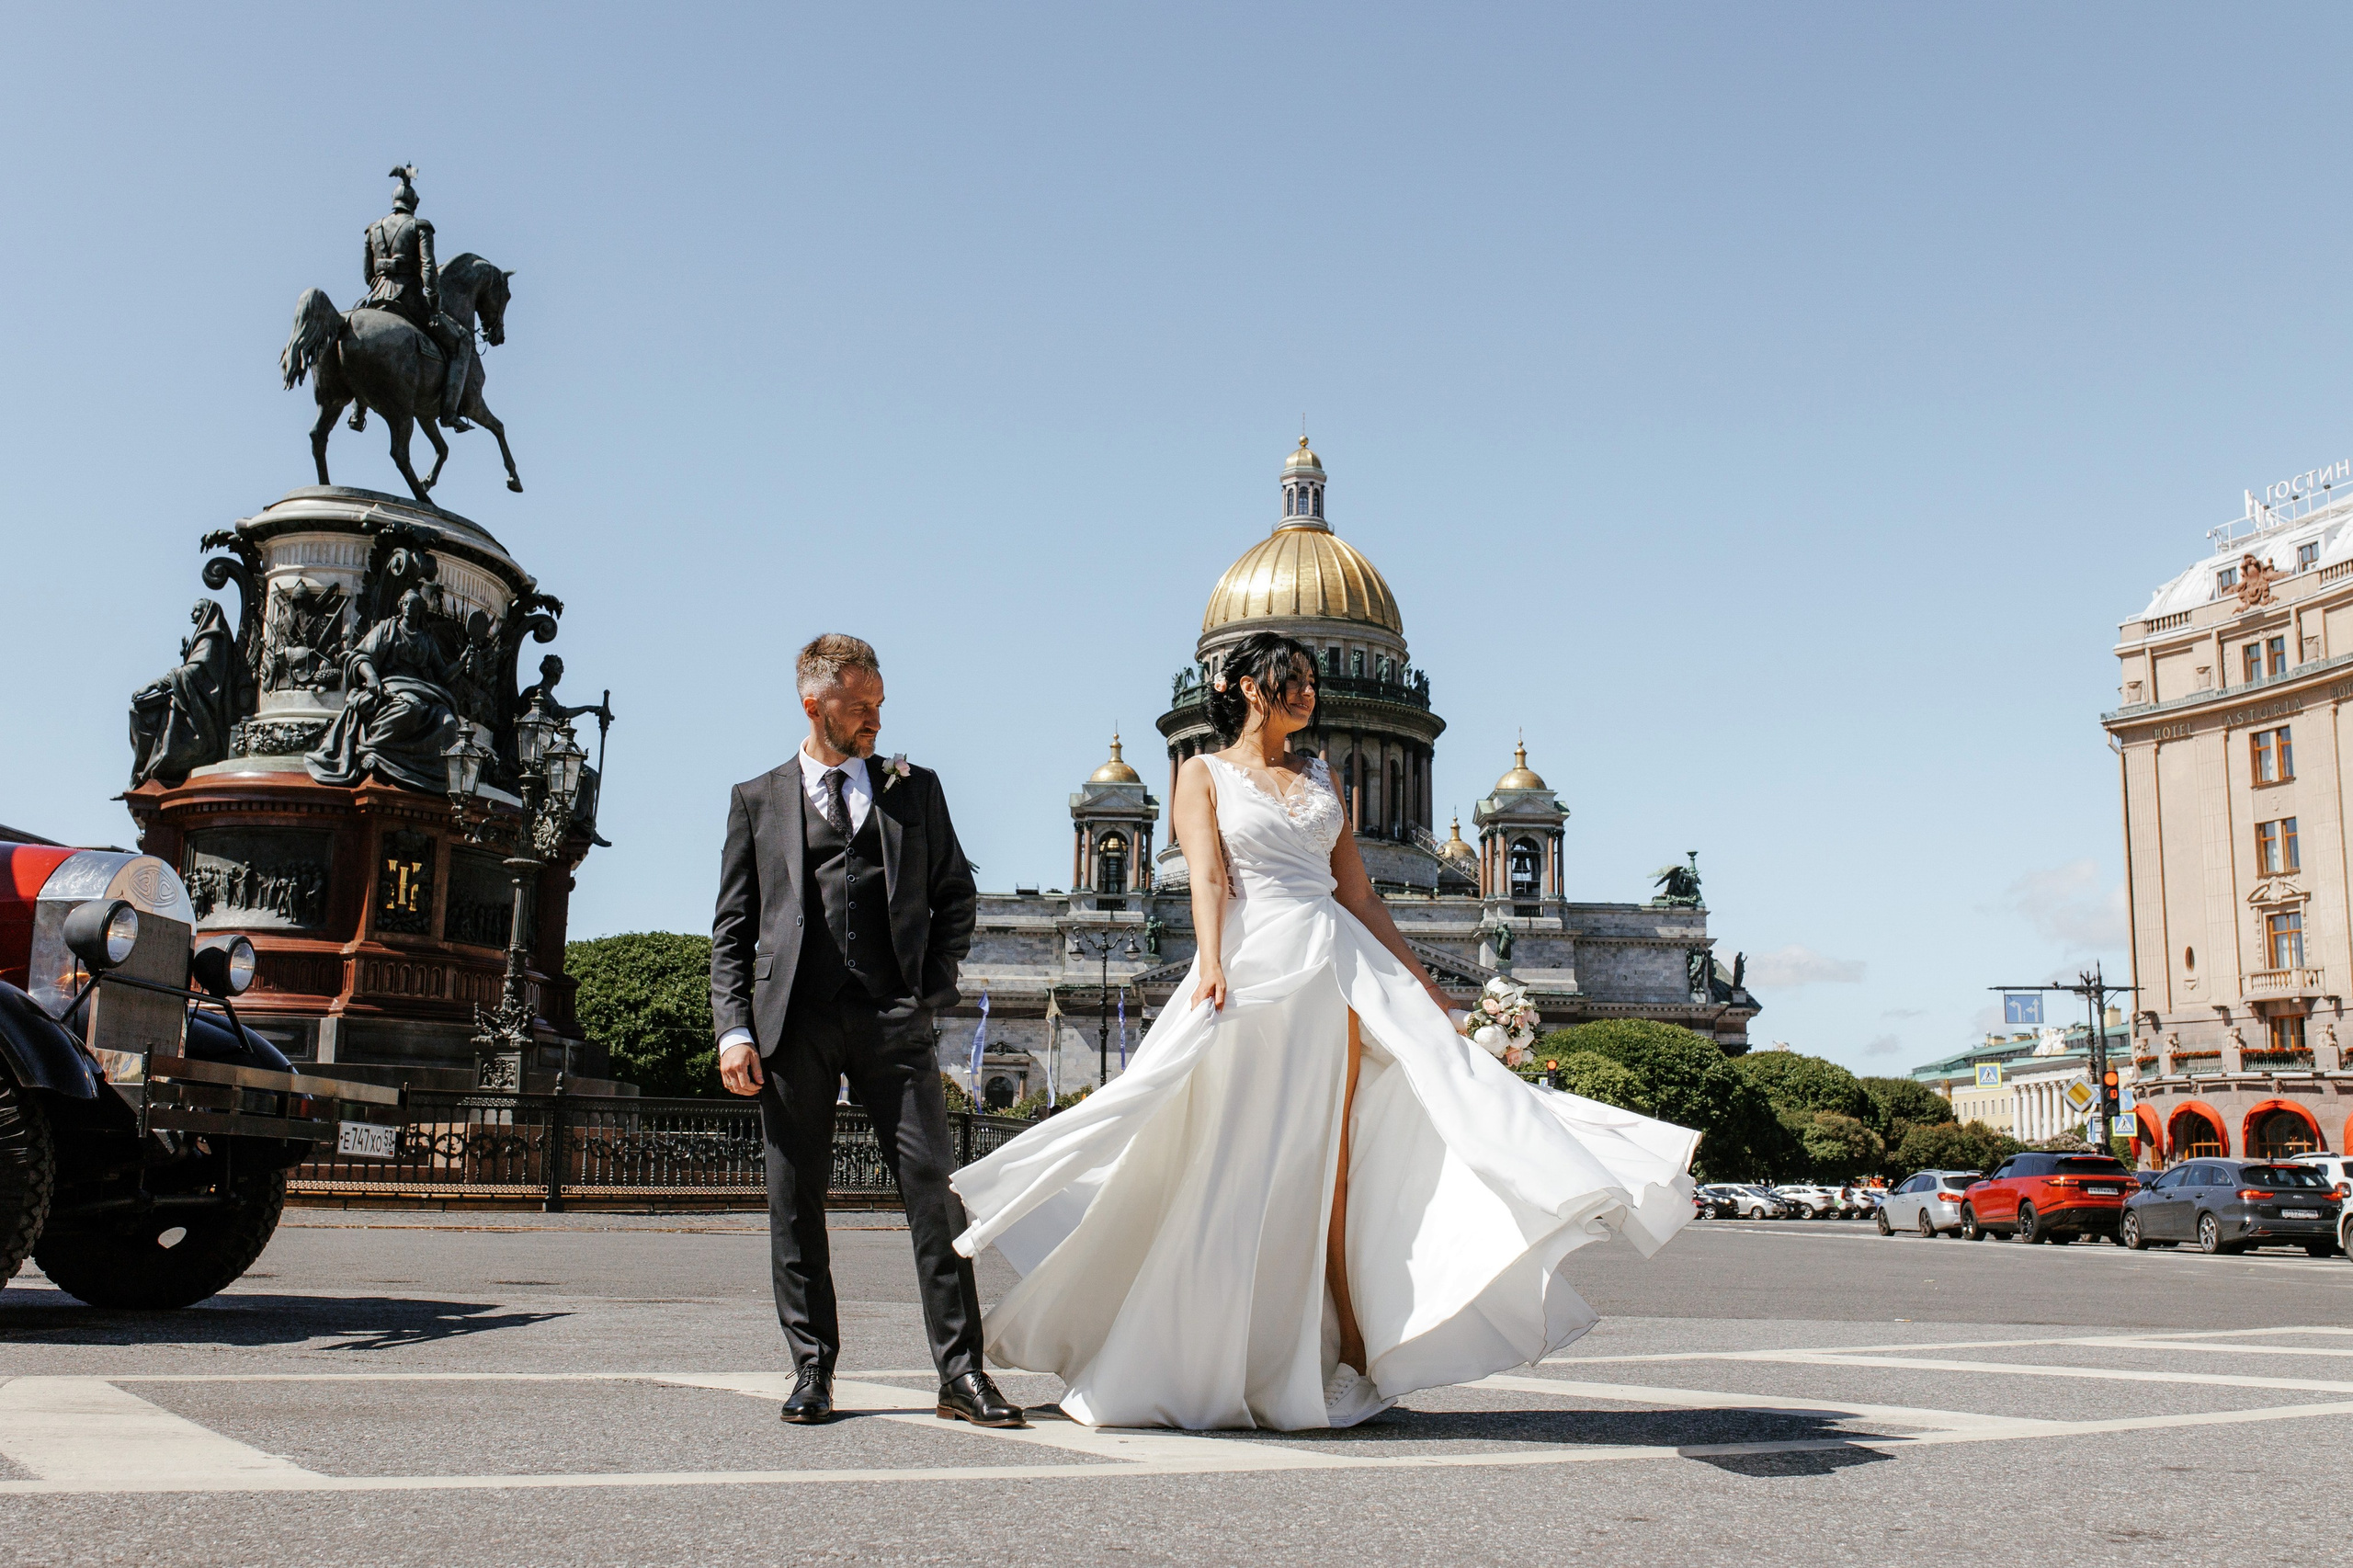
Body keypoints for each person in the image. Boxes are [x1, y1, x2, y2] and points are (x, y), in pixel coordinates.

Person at [950, 632, 1699, 1430]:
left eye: (1313, 681)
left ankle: (1337, 1351)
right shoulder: (1201, 775)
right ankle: (1201, 1348)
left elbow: (1362, 898)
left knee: (1334, 1165)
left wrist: (1427, 990)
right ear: (1244, 687)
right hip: (1251, 963)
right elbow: (1206, 874)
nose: (1309, 694)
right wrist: (1207, 960)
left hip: (1334, 969)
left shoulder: (1319, 775)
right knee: (1231, 1155)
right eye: (1291, 681)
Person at [709, 634, 1019, 1429]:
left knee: (935, 1197)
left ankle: (960, 1375)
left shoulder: (915, 791)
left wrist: (930, 992)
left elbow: (956, 896)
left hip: (893, 1023)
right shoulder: (757, 798)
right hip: (794, 1025)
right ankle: (812, 1371)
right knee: (795, 1202)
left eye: (880, 705)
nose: (875, 720)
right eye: (860, 707)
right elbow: (733, 929)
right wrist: (732, 1030)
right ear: (814, 704)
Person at [356, 165, 472, 432]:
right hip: (408, 299)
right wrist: (433, 303)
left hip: (375, 297)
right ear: (414, 204)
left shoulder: (373, 229)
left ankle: (357, 409)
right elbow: (428, 267)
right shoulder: (420, 226)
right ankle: (450, 413)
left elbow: (366, 274)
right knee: (462, 340)